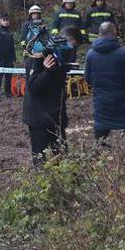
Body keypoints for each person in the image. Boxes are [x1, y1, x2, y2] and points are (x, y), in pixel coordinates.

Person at [84, 22, 125, 152]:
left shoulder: (91, 54)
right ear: (115, 34)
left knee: (99, 140)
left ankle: (94, 166)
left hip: (102, 104)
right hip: (122, 102)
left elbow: (88, 79)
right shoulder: (124, 54)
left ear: (99, 35)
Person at [24, 26, 79, 164]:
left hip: (55, 118)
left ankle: (62, 183)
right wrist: (48, 72)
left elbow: (58, 91)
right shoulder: (39, 54)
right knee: (40, 160)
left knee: (61, 157)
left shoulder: (60, 58)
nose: (72, 51)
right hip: (38, 118)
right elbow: (33, 87)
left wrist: (62, 119)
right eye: (72, 46)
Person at [0, 14, 16, 103]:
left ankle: (8, 92)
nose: (6, 22)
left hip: (9, 58)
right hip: (0, 58)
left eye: (7, 20)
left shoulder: (10, 32)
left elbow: (12, 46)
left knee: (9, 76)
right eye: (4, 20)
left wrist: (14, 57)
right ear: (0, 21)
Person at [21, 5, 49, 82]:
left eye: (37, 14)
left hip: (42, 54)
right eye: (33, 14)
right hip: (31, 54)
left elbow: (47, 38)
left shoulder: (43, 25)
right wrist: (25, 50)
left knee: (42, 76)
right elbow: (23, 39)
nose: (35, 15)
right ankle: (29, 92)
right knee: (30, 75)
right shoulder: (26, 25)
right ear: (30, 15)